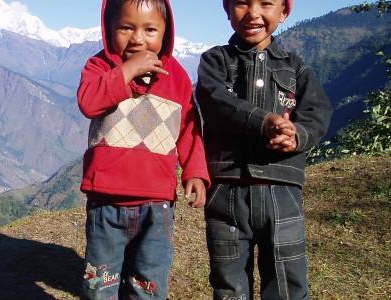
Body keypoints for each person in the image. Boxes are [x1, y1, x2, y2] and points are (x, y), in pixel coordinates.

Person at [195, 0, 333, 299]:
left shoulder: (297, 68)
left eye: (266, 3)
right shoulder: (215, 61)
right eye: (242, 3)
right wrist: (265, 121)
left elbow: (317, 113)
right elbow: (215, 102)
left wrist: (296, 136)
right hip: (226, 191)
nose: (253, 12)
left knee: (287, 283)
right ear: (227, 8)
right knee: (229, 285)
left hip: (282, 191)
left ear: (284, 12)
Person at [77, 0, 210, 298]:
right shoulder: (99, 68)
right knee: (101, 283)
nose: (137, 38)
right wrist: (126, 71)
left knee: (148, 281)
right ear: (109, 30)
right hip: (106, 203)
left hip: (157, 205)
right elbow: (88, 101)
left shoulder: (176, 77)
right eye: (126, 27)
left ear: (166, 33)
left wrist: (196, 171)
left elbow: (189, 128)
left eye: (150, 29)